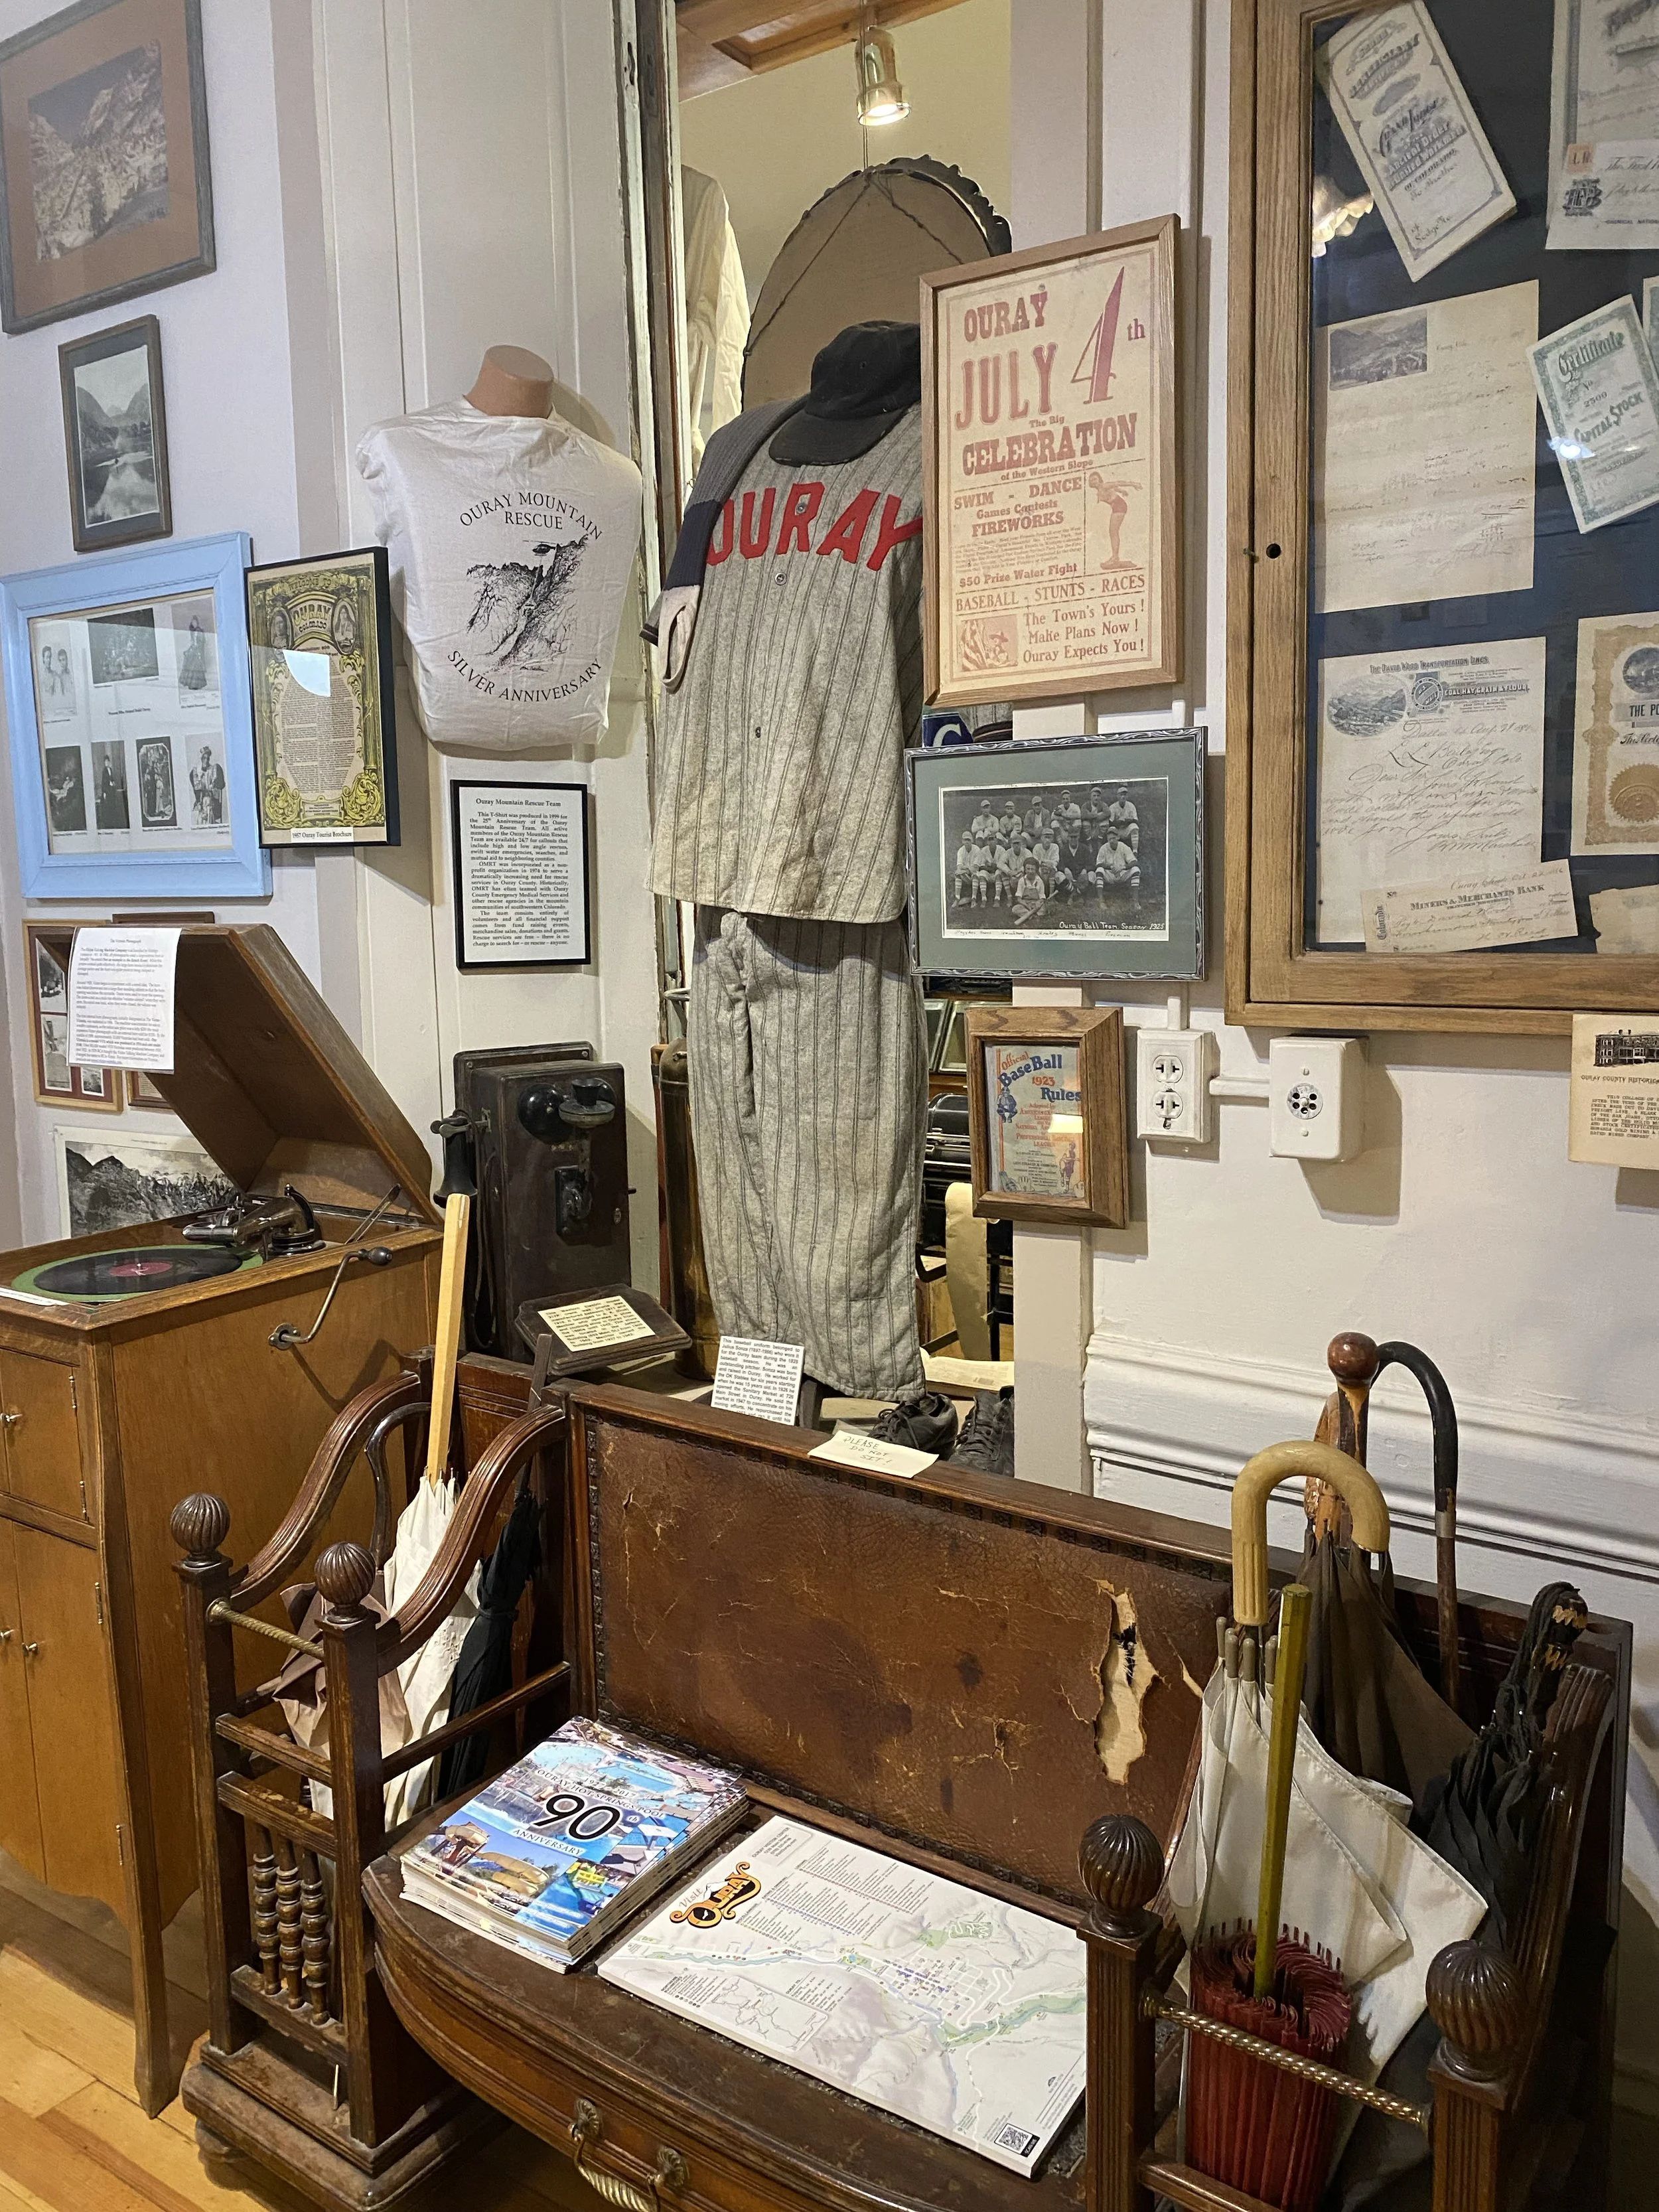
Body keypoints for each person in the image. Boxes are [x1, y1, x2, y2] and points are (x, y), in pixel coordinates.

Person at [190, 745, 225, 826]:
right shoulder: (196, 772)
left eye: (207, 758)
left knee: (209, 808)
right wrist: (199, 802)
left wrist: (215, 784)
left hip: (211, 799)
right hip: (201, 800)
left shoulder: (213, 770)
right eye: (204, 758)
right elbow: (196, 789)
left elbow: (220, 785)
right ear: (201, 759)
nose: (206, 760)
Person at [1011, 859, 1048, 926]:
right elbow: (1019, 898)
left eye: (1032, 869)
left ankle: (1030, 916)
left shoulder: (1039, 881)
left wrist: (1039, 903)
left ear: (1036, 870)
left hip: (1036, 904)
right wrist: (1026, 905)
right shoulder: (1022, 881)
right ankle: (1032, 916)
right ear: (1025, 870)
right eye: (1028, 869)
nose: (1030, 871)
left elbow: (1042, 897)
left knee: (1043, 910)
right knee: (1015, 909)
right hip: (1025, 904)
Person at [1106, 783, 1139, 852]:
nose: (1123, 797)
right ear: (1117, 796)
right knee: (1111, 829)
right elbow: (1110, 822)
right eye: (1121, 795)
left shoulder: (1131, 805)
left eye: (1125, 795)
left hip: (1127, 829)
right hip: (1117, 830)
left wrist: (1129, 821)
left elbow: (1136, 820)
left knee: (1134, 827)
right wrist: (1117, 822)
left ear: (1127, 796)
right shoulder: (1113, 807)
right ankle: (1111, 851)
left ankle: (1135, 851)